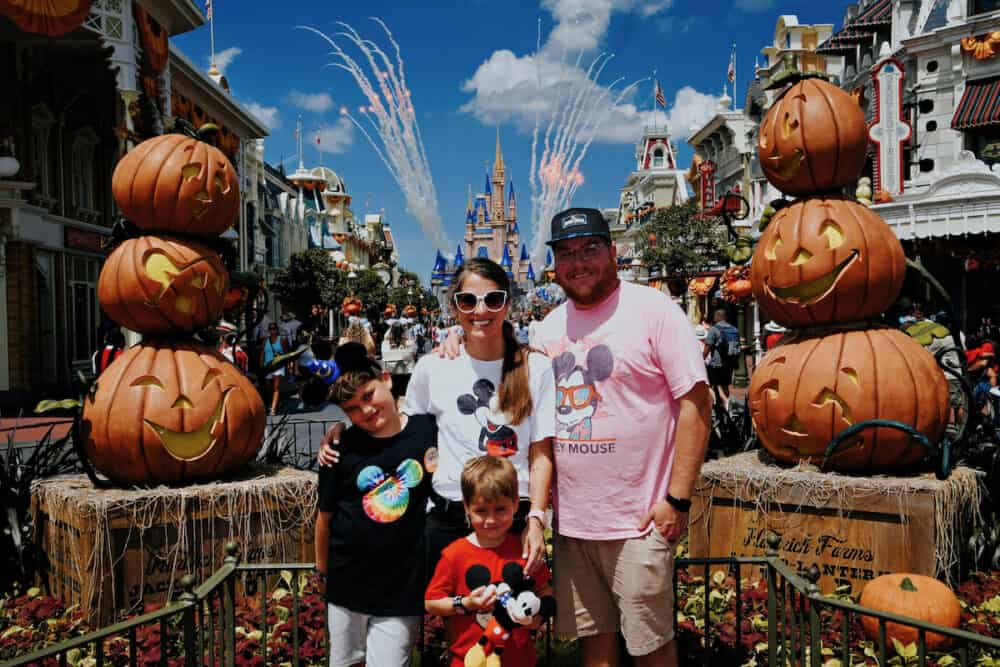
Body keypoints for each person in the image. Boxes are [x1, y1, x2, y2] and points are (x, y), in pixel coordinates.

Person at [521, 208, 711, 666]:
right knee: (596, 645)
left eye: (589, 249)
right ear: (555, 264)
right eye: (566, 253)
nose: (578, 262)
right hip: (573, 527)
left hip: (639, 523)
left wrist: (678, 501)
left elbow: (696, 404)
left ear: (613, 251)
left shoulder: (653, 310)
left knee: (651, 647)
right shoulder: (547, 330)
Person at [319, 258, 556, 579]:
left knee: (511, 622)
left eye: (493, 299)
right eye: (468, 300)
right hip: (447, 518)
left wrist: (537, 520)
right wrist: (345, 433)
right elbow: (402, 431)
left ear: (508, 304)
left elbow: (541, 455)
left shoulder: (535, 368)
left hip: (510, 518)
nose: (481, 310)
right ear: (455, 307)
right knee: (454, 624)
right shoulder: (434, 366)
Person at [315, 342, 438, 667]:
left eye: (368, 396)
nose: (365, 412)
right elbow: (324, 517)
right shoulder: (341, 448)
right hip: (347, 583)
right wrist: (322, 571)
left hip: (402, 588)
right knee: (344, 662)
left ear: (386, 379)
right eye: (352, 409)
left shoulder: (428, 431)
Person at [425, 456, 553, 667]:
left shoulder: (524, 550)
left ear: (515, 504)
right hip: (468, 661)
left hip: (520, 661)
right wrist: (466, 603)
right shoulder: (455, 554)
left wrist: (537, 615)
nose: (491, 520)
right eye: (481, 511)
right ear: (466, 507)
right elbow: (432, 602)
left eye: (500, 509)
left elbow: (545, 590)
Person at [704, 308, 740, 408]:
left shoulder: (714, 329)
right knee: (725, 385)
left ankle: (724, 403)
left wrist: (702, 358)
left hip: (717, 363)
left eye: (715, 316)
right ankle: (726, 406)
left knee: (715, 384)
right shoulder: (734, 329)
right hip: (730, 363)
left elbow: (708, 346)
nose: (714, 318)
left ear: (718, 317)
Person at [381, 323, 417, 399]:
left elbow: (384, 356)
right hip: (406, 372)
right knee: (406, 397)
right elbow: (413, 353)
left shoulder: (385, 344)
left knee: (394, 397)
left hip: (392, 372)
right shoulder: (409, 343)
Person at [260, 322, 285, 416]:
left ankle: (273, 409)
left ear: (277, 330)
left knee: (276, 387)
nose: (272, 330)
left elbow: (287, 353)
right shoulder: (265, 341)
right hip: (268, 366)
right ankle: (275, 403)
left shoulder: (281, 340)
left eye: (274, 328)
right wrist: (261, 365)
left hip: (278, 365)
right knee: (268, 388)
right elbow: (262, 353)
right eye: (270, 329)